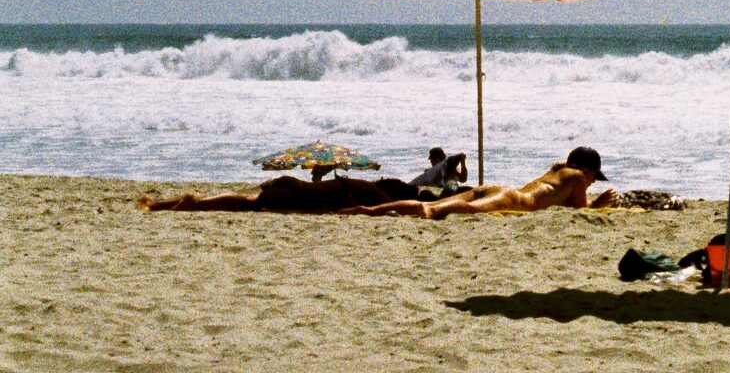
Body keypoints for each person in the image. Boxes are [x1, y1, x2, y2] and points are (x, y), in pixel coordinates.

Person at [142, 146, 471, 213]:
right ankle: (189, 203)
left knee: (245, 197)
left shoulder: (367, 188)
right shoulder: (374, 195)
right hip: (302, 195)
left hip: (300, 188)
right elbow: (389, 206)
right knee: (245, 203)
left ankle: (162, 204)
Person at [351, 146, 615, 219]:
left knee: (435, 205)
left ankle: (366, 210)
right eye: (594, 176)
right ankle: (368, 211)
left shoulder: (558, 173)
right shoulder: (576, 177)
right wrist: (598, 204)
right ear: (585, 170)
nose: (593, 182)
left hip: (498, 190)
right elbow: (580, 211)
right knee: (431, 210)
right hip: (512, 199)